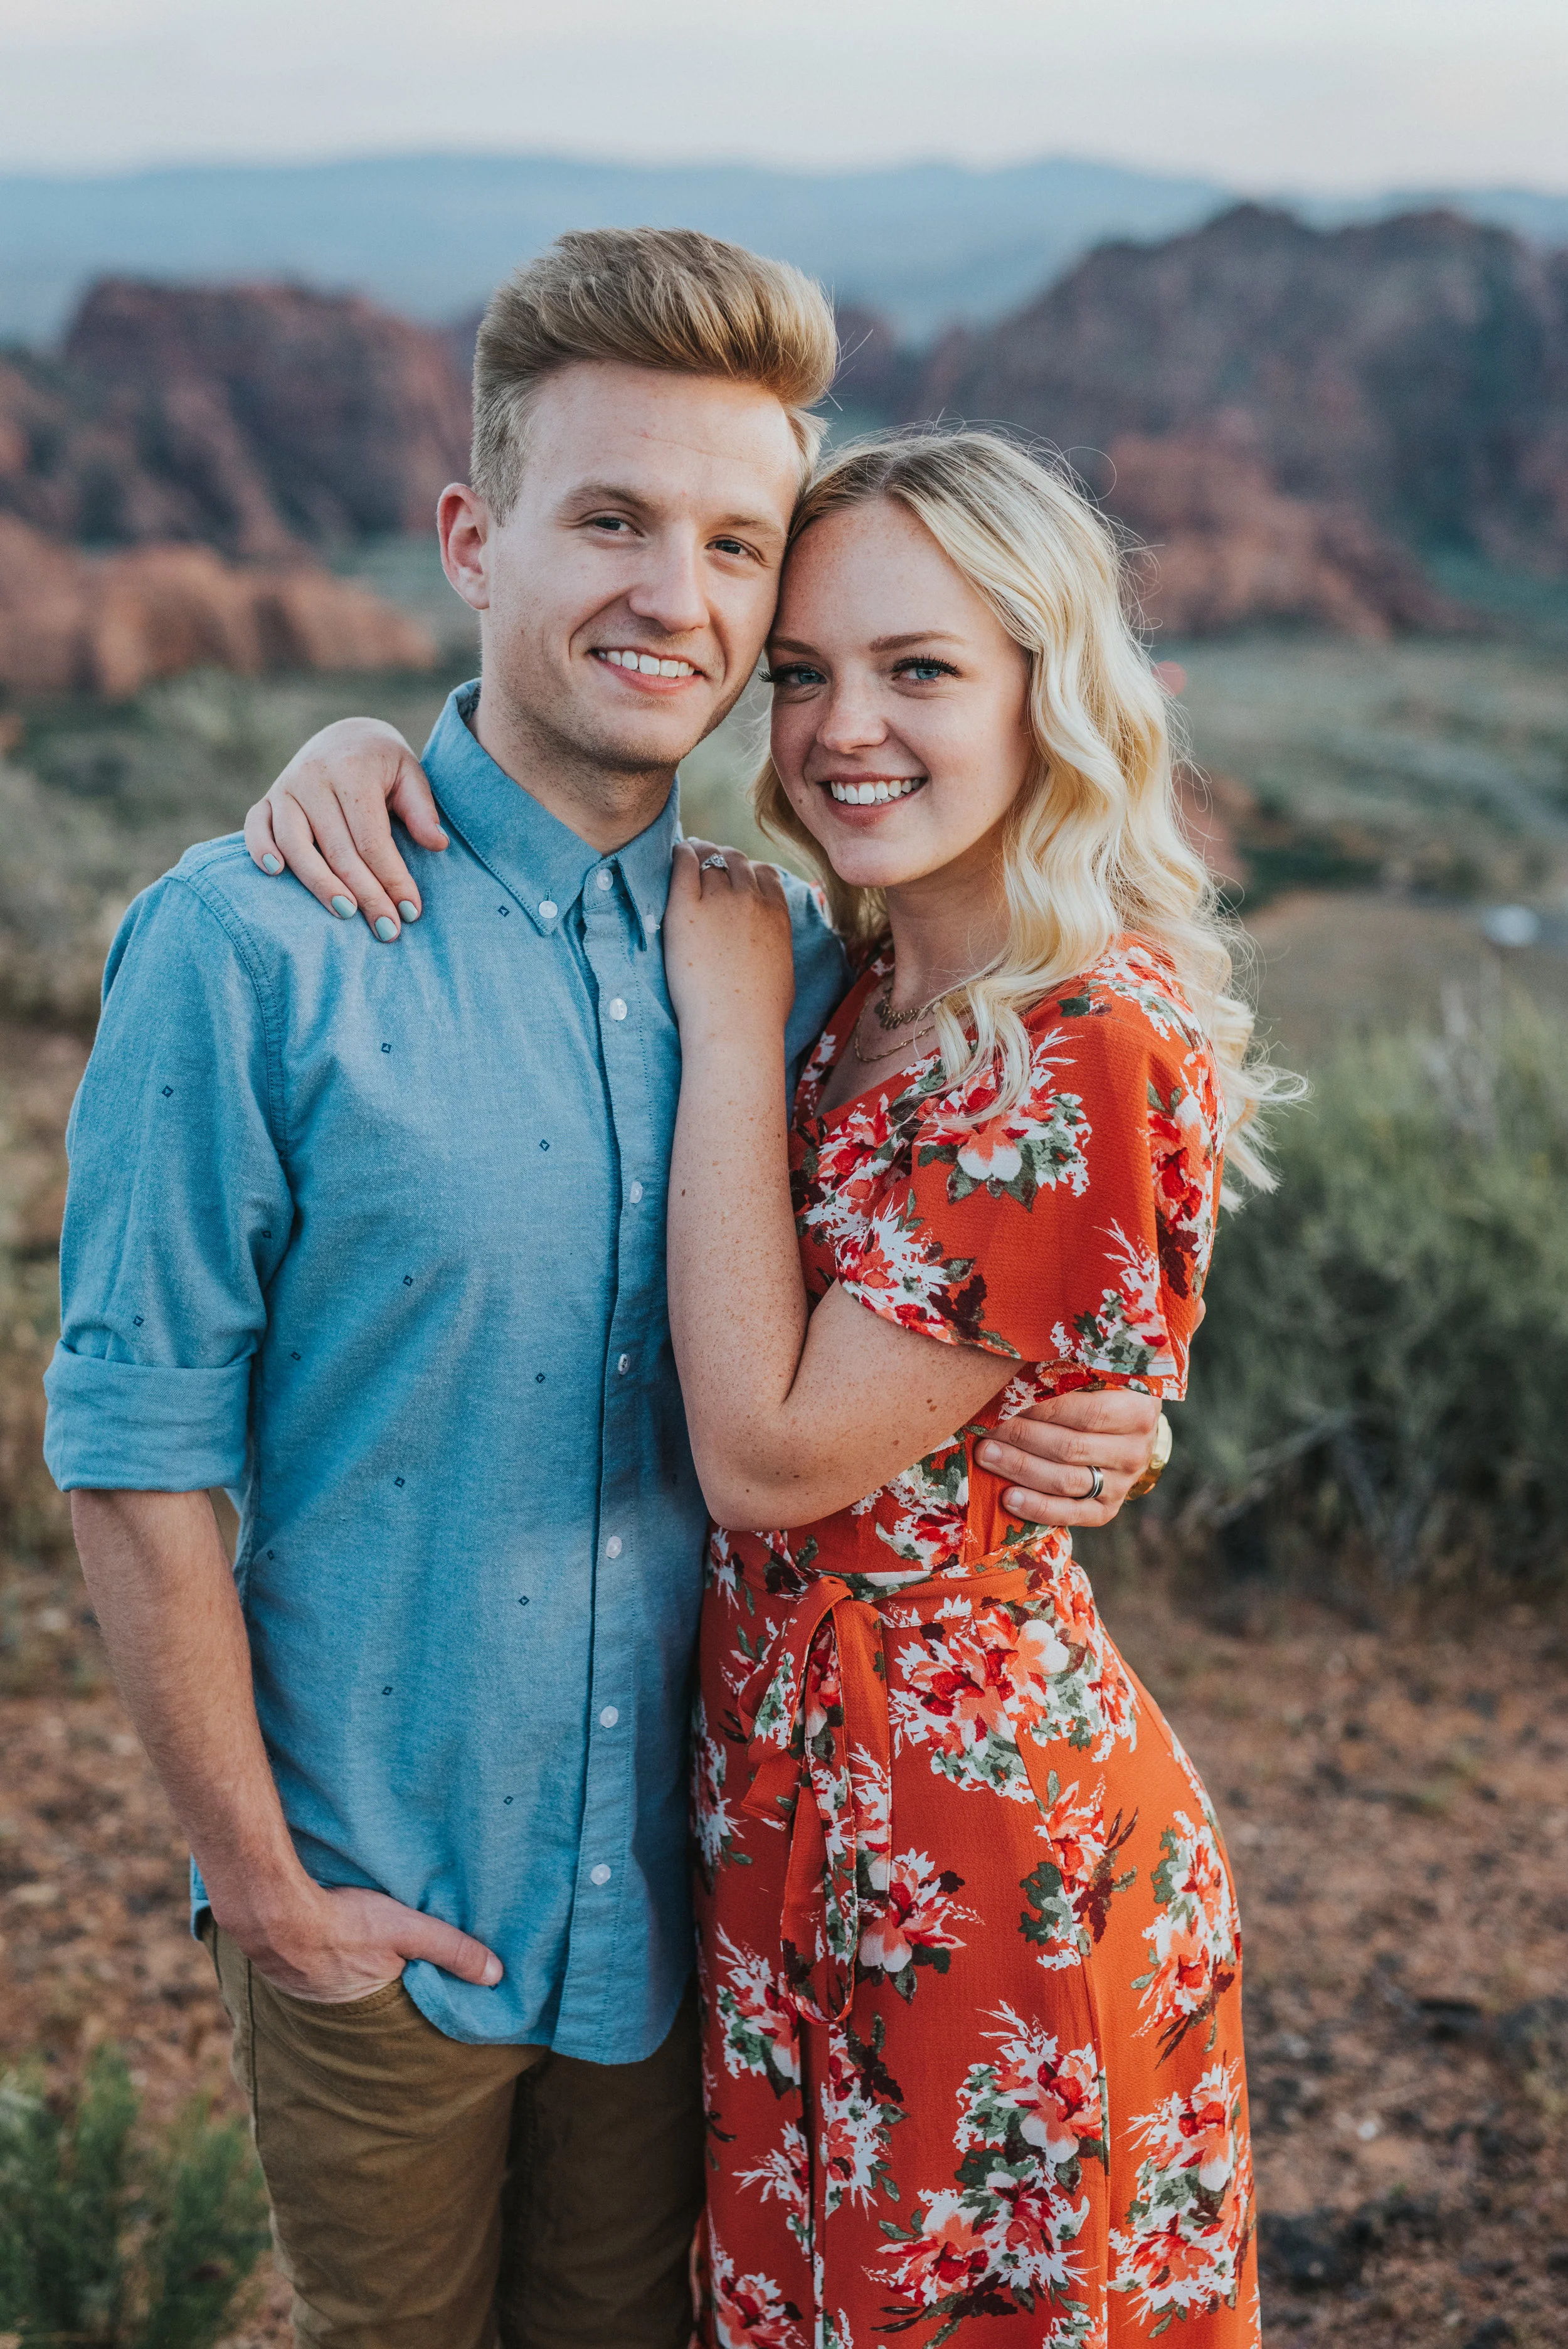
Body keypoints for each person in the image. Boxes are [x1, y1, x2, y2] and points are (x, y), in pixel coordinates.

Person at [45, 230, 1162, 2349]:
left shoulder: (807, 975)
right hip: (390, 1897)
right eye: (612, 521)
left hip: (711, 1908)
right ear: (476, 537)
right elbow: (134, 1446)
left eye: (736, 547)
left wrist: (1100, 1407)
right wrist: (272, 1895)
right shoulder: (258, 947)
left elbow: (949, 1308)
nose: (676, 594)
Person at [655, 431, 1281, 2346]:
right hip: (793, 1790)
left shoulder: (1079, 1038)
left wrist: (721, 1020)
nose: (845, 727)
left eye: (918, 668)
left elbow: (769, 1458)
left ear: (1046, 683)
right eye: (801, 673)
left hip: (967, 1836)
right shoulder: (867, 982)